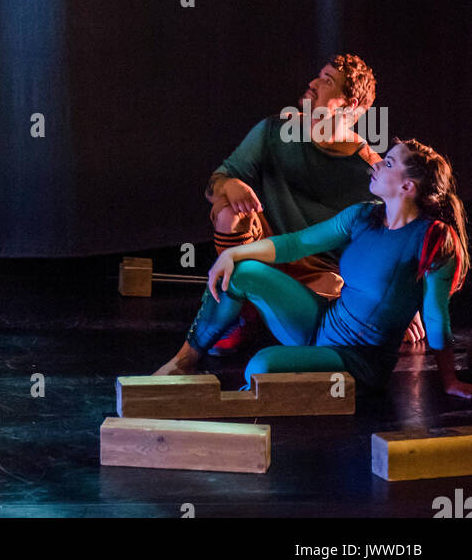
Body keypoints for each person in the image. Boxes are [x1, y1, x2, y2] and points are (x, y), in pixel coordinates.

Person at [155, 138, 472, 398]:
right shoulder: (363, 215)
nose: (376, 164)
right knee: (241, 272)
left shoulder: (434, 240)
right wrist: (233, 254)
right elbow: (297, 244)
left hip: (359, 359)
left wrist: (450, 381)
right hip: (323, 323)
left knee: (261, 367)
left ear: (407, 187)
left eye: (388, 163)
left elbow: (435, 316)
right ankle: (184, 361)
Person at [202, 54, 432, 352]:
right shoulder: (273, 131)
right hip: (267, 249)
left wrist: (404, 302)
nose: (312, 84)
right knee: (228, 212)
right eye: (319, 75)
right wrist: (229, 184)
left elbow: (397, 238)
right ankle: (239, 312)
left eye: (327, 81)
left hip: (320, 273)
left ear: (349, 106)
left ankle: (277, 319)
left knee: (341, 327)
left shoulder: (371, 171)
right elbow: (215, 182)